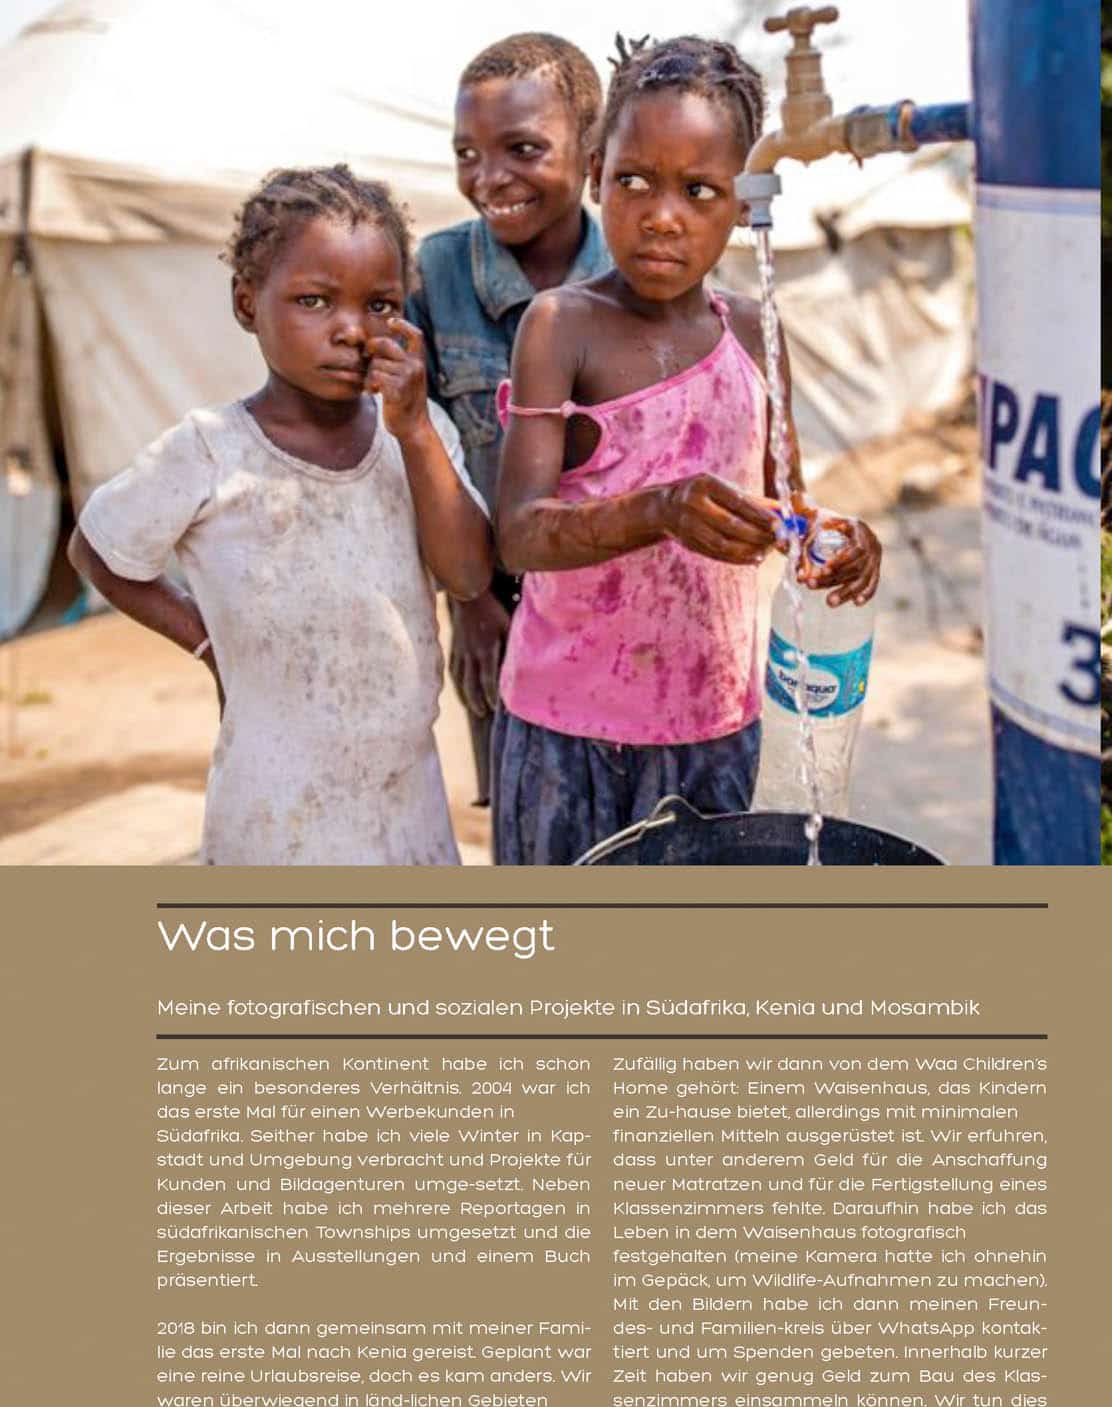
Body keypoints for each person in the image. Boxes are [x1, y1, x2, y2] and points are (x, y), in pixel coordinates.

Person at [493, 34, 881, 866]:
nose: (661, 214)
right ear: (596, 171)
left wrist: (836, 541)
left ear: (743, 202)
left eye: (699, 190)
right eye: (633, 180)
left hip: (716, 725)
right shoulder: (563, 325)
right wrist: (657, 510)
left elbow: (787, 509)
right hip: (571, 733)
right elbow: (520, 532)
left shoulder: (750, 328)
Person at [68, 166, 493, 865]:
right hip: (273, 818)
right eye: (315, 301)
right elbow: (97, 550)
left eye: (381, 305)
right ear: (246, 302)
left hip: (405, 810)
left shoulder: (417, 436)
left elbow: (470, 575)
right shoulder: (210, 450)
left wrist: (415, 430)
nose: (353, 330)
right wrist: (208, 646)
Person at [407, 32, 610, 808]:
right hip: (498, 612)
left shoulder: (644, 273)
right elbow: (415, 453)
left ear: (590, 150)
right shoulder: (435, 275)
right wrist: (470, 604)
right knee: (529, 838)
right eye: (467, 153)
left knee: (643, 834)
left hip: (625, 612)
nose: (489, 179)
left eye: (522, 148)